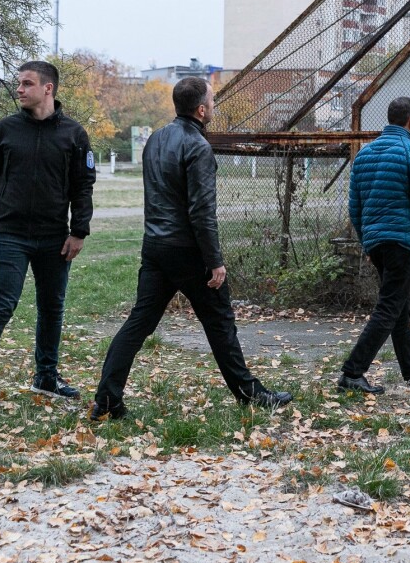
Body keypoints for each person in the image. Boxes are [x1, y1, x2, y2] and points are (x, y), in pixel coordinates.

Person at [91, 76, 291, 419]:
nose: (213, 106)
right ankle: (250, 395)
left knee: (139, 323)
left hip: (155, 246)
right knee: (220, 323)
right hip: (187, 250)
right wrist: (214, 262)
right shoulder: (198, 147)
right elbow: (201, 211)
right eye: (212, 102)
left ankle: (107, 400)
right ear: (201, 110)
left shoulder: (154, 140)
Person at [0, 61, 96, 410]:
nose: (19, 89)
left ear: (47, 88)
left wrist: (79, 231)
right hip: (11, 234)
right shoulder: (5, 130)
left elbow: (83, 187)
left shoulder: (74, 134)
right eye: (18, 84)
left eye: (26, 84)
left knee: (52, 307)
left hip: (55, 237)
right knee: (1, 305)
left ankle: (46, 376)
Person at [338, 96, 410, 395]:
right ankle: (352, 371)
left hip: (376, 242)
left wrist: (367, 243)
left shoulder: (364, 155)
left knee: (398, 306)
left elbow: (355, 207)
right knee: (389, 307)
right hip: (402, 241)